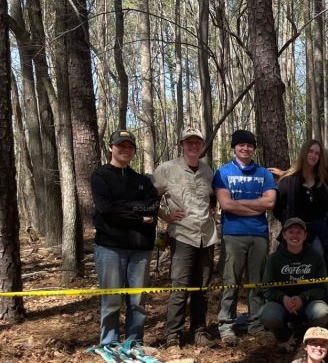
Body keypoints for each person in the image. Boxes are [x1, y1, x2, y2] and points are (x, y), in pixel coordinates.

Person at [91, 129, 159, 345]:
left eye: (130, 146)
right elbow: (106, 209)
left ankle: (134, 342)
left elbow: (152, 206)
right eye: (121, 145)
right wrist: (138, 216)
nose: (125, 150)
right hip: (110, 247)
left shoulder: (143, 181)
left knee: (137, 300)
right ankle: (109, 343)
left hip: (140, 248)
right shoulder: (100, 176)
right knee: (111, 299)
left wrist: (125, 209)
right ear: (111, 147)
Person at [152, 128, 218, 348]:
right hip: (182, 235)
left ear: (202, 145)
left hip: (207, 236)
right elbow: (150, 197)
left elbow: (213, 197)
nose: (193, 146)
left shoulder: (208, 171)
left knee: (201, 288)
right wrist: (165, 216)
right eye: (188, 142)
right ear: (181, 144)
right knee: (179, 287)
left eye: (197, 142)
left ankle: (199, 330)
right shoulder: (167, 169)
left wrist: (212, 207)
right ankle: (173, 334)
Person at [213, 130, 277, 346]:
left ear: (254, 148)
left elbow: (269, 203)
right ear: (234, 147)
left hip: (259, 235)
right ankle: (226, 326)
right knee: (230, 282)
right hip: (232, 235)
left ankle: (255, 324)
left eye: (249, 145)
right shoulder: (223, 172)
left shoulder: (264, 174)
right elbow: (226, 204)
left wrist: (238, 205)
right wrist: (254, 207)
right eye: (240, 145)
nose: (245, 149)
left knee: (256, 283)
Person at [261, 218, 328, 352]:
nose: (295, 236)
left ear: (305, 236)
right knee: (268, 316)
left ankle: (308, 337)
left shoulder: (316, 257)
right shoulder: (274, 259)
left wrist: (303, 298)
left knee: (323, 312)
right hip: (282, 303)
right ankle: (284, 337)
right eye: (291, 232)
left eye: (299, 232)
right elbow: (267, 289)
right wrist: (283, 298)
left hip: (309, 303)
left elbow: (322, 288)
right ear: (284, 235)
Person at [275, 139, 328, 274]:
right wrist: (289, 224)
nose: (313, 155)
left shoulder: (325, 182)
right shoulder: (288, 181)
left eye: (317, 153)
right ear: (304, 153)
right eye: (310, 151)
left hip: (321, 234)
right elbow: (277, 208)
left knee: (320, 261)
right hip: (295, 233)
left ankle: (322, 294)